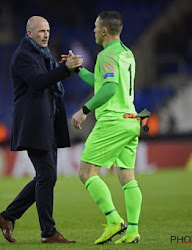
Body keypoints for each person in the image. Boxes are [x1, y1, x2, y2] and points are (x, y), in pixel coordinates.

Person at [0, 16, 82, 244]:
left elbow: (48, 79)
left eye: (48, 30)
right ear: (30, 33)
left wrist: (63, 67)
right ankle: (48, 232)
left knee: (46, 177)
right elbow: (39, 82)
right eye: (41, 31)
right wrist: (64, 69)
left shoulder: (43, 55)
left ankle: (7, 217)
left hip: (48, 124)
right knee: (47, 176)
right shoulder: (23, 56)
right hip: (34, 127)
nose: (46, 35)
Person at [70, 11, 142, 244]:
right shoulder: (126, 53)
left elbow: (109, 89)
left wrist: (84, 110)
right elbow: (102, 83)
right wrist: (78, 70)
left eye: (94, 27)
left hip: (113, 120)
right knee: (127, 178)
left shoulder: (105, 56)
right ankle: (132, 231)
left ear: (103, 31)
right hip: (132, 119)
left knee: (86, 173)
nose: (92, 31)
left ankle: (114, 221)